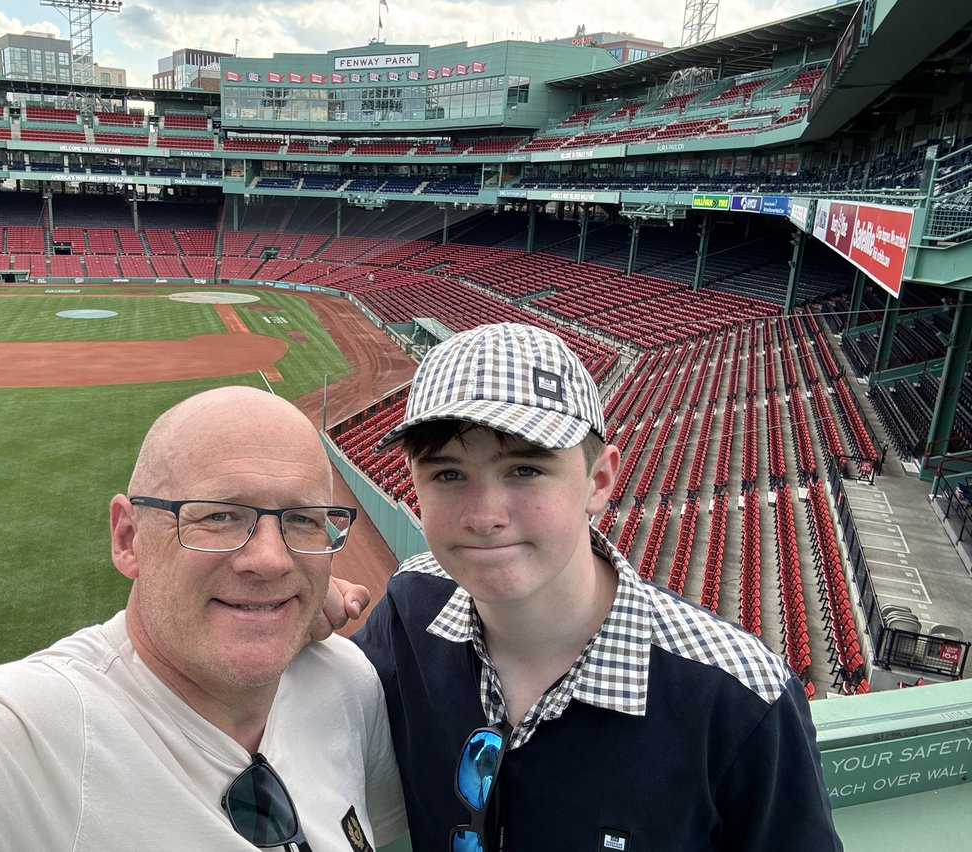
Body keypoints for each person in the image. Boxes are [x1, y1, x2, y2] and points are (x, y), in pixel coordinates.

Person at [0, 386, 404, 851]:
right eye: (218, 515)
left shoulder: (347, 682)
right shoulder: (30, 730)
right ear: (128, 538)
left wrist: (280, 615)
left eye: (300, 519)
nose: (269, 559)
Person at [351, 322, 842, 851]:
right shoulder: (411, 602)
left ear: (599, 482)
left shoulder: (740, 696)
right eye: (447, 474)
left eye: (524, 470)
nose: (484, 516)